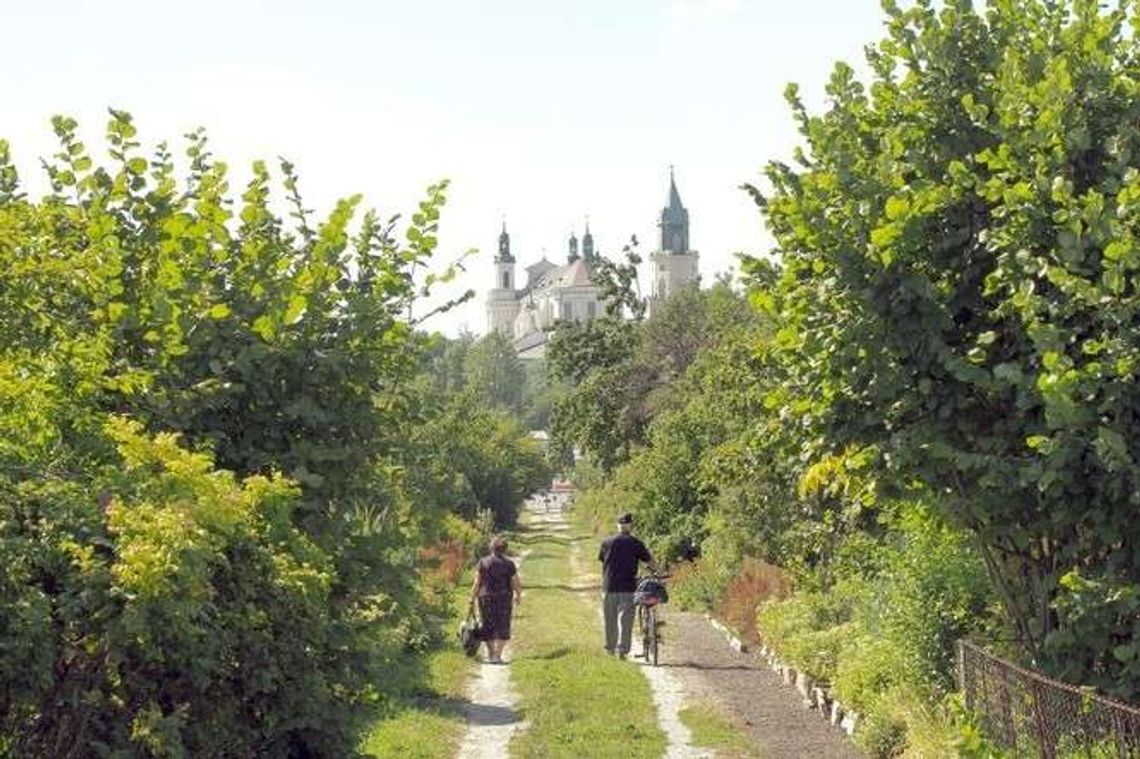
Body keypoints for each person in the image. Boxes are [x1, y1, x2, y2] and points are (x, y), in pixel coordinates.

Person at [598, 513, 655, 659]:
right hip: (628, 588)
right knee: (626, 621)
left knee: (610, 620)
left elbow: (602, 560)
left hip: (609, 586)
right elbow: (650, 561)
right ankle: (622, 651)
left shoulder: (606, 542)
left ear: (618, 525)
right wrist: (658, 571)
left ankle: (610, 649)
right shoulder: (635, 542)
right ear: (630, 525)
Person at [469, 535, 522, 664]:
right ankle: (498, 655)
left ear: (491, 548)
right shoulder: (509, 564)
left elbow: (477, 583)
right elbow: (515, 582)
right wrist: (518, 595)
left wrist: (471, 598)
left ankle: (491, 653)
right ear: (505, 549)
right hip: (504, 598)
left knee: (487, 625)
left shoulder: (483, 562)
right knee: (503, 625)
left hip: (485, 597)